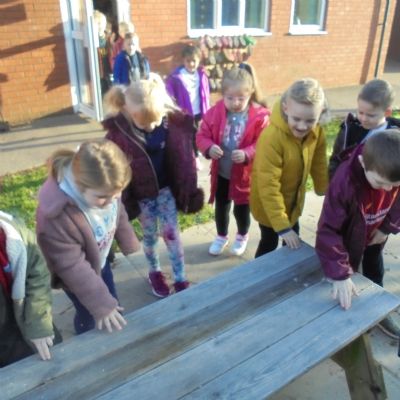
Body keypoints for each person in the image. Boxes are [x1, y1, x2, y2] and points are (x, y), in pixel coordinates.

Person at [103, 74, 204, 298]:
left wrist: (189, 176)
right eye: (144, 123)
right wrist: (126, 200)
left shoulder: (173, 124)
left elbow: (185, 152)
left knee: (172, 234)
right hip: (142, 196)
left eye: (155, 121)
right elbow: (114, 168)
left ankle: (180, 277)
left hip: (166, 191)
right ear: (128, 111)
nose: (150, 127)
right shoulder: (119, 135)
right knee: (149, 236)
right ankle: (154, 272)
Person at [36, 140, 141, 335]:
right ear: (79, 184)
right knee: (91, 314)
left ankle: (110, 320)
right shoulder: (57, 217)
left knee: (111, 301)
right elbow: (71, 266)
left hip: (99, 260)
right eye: (102, 197)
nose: (110, 201)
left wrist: (127, 239)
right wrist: (101, 304)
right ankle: (87, 338)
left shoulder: (105, 189)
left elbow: (117, 211)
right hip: (75, 276)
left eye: (117, 193)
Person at [316, 130, 400, 338]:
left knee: (375, 271)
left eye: (394, 185)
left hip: (375, 235)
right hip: (346, 241)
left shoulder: (392, 172)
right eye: (380, 183)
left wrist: (387, 227)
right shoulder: (343, 182)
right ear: (363, 163)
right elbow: (328, 230)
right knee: (347, 281)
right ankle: (350, 323)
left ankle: (378, 311)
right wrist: (340, 274)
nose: (387, 190)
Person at [196, 64, 270, 256]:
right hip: (222, 173)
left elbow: (264, 143)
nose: (235, 102)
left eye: (241, 98)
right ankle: (221, 236)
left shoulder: (260, 116)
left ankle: (242, 235)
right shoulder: (215, 112)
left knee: (241, 209)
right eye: (229, 98)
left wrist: (248, 153)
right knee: (221, 207)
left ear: (250, 93)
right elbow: (202, 135)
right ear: (223, 94)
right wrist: (209, 147)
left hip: (245, 176)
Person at [250, 78, 328, 257]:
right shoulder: (271, 138)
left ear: (320, 113)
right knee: (269, 242)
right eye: (296, 119)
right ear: (286, 109)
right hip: (269, 208)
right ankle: (259, 271)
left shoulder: (317, 130)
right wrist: (282, 227)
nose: (302, 126)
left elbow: (319, 162)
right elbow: (268, 185)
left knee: (294, 241)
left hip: (293, 203)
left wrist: (324, 188)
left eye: (310, 120)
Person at [0, 211, 61, 366]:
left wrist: (38, 324)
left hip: (27, 313)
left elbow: (37, 274)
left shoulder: (13, 232)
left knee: (54, 355)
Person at [329, 79, 400, 179]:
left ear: (387, 112)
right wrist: (334, 182)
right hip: (348, 183)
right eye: (360, 112)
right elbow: (336, 159)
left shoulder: (395, 136)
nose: (364, 119)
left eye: (371, 115)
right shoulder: (349, 129)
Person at [166, 44, 210, 170]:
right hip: (186, 112)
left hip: (198, 111)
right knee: (190, 134)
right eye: (188, 61)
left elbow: (205, 92)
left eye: (194, 61)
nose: (191, 64)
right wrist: (172, 105)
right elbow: (169, 91)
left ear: (199, 60)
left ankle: (194, 152)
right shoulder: (177, 77)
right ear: (183, 61)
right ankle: (194, 158)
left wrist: (206, 109)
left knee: (197, 133)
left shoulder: (201, 74)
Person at [93, 10, 112, 95]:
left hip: (108, 66)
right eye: (99, 23)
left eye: (103, 23)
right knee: (101, 89)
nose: (101, 26)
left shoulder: (107, 37)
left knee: (109, 87)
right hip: (99, 69)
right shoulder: (93, 38)